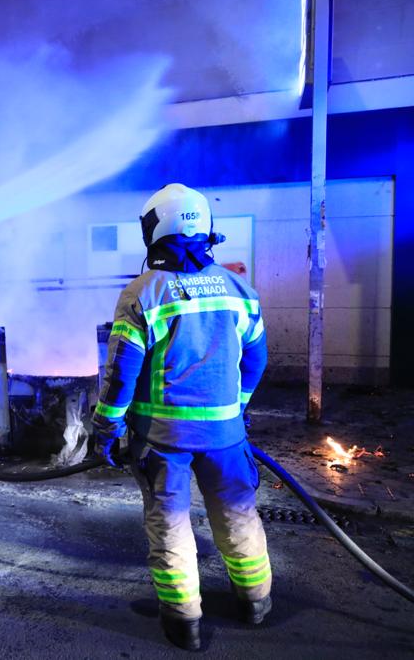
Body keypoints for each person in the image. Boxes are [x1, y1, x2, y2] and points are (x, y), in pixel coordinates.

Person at [91, 184, 270, 651]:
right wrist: (238, 405)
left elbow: (120, 375)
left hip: (163, 439)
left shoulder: (142, 293)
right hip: (227, 436)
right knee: (237, 515)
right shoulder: (239, 289)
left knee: (170, 524)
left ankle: (184, 622)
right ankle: (255, 602)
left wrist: (105, 429)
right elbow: (255, 358)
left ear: (154, 230)